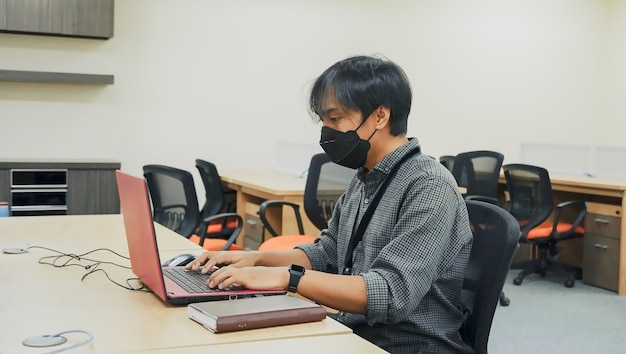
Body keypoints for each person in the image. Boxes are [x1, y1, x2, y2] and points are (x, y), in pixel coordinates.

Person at [187, 55, 473, 353]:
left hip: (406, 345)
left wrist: (288, 277)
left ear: (379, 116)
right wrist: (256, 260)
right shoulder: (365, 178)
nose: (326, 131)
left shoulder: (429, 185)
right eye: (323, 120)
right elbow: (327, 253)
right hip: (353, 332)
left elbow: (390, 294)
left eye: (335, 119)